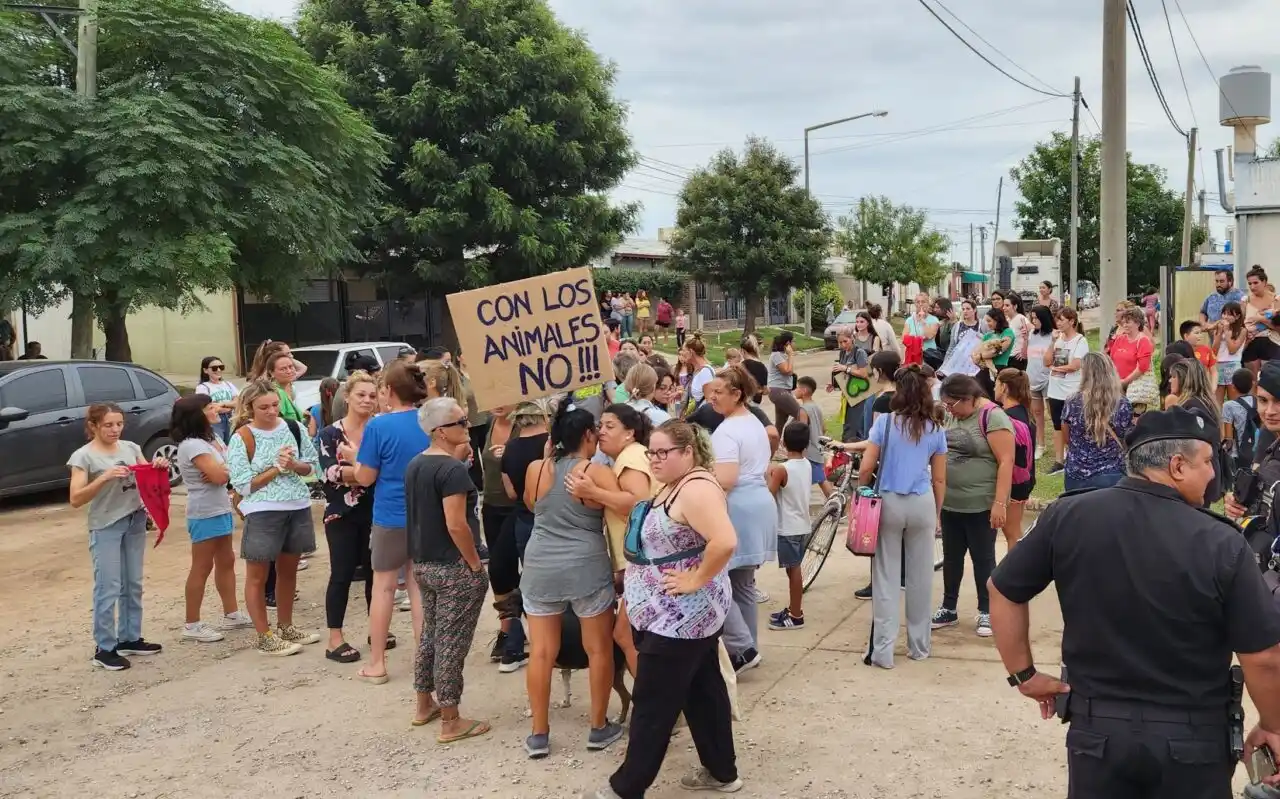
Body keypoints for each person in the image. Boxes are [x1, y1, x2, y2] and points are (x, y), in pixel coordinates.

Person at [989, 406, 1280, 799]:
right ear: (1177, 465)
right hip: (1191, 740)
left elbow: (1003, 589)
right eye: (1208, 462)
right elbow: (1262, 656)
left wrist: (1023, 675)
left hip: (1097, 736)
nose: (1213, 474)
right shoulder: (1221, 541)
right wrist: (1273, 726)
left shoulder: (1069, 515)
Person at [591, 421, 741, 799]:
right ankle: (722, 771)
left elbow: (724, 541)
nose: (655, 459)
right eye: (651, 452)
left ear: (687, 452)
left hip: (681, 619)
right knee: (704, 691)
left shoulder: (696, 490)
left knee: (653, 703)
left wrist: (694, 579)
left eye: (663, 452)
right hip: (675, 615)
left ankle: (626, 788)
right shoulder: (679, 485)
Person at [520, 398, 624, 758]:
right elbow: (626, 504)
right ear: (585, 435)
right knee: (598, 649)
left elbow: (532, 506)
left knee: (542, 652)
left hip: (539, 564)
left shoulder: (536, 468)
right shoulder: (593, 472)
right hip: (585, 565)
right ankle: (598, 726)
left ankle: (539, 733)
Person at [405, 398, 492, 744]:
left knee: (430, 635)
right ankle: (451, 720)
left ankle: (424, 703)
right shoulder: (452, 471)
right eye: (460, 423)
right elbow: (457, 524)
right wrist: (473, 563)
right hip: (452, 566)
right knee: (451, 643)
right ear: (441, 431)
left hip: (424, 563)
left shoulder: (417, 464)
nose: (467, 427)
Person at [856, 368, 947, 667]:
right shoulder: (935, 429)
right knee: (921, 578)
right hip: (922, 502)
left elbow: (867, 466)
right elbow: (939, 479)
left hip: (890, 501)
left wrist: (861, 493)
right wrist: (937, 514)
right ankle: (919, 647)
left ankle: (882, 651)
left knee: (885, 577)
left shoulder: (885, 423)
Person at [69, 404, 170, 670]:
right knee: (108, 586)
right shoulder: (83, 456)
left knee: (133, 582)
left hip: (134, 519)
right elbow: (76, 498)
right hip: (106, 525)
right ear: (93, 426)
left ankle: (130, 637)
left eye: (119, 424)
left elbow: (145, 476)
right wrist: (103, 478)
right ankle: (104, 647)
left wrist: (157, 465)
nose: (115, 430)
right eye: (108, 425)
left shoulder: (131, 448)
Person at [225, 379, 320, 656]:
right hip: (263, 510)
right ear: (250, 407)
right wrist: (276, 469)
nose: (271, 411)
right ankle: (264, 635)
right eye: (264, 407)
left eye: (275, 405)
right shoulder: (242, 437)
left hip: (296, 504)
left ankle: (286, 626)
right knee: (258, 574)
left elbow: (311, 466)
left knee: (288, 571)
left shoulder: (293, 427)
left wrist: (294, 465)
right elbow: (242, 484)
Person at [352, 361, 431, 682]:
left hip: (389, 516)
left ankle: (378, 663)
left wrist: (353, 461)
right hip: (426, 515)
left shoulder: (378, 427)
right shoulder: (429, 422)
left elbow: (366, 477)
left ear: (389, 391)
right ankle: (424, 663)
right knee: (418, 590)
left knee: (383, 588)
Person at [566, 403, 657, 677]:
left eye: (609, 426)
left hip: (646, 563)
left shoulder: (631, 458)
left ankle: (656, 703)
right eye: (599, 426)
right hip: (642, 562)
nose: (601, 432)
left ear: (629, 433)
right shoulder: (630, 457)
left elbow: (637, 504)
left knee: (626, 635)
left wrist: (592, 490)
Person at [707, 366, 777, 673]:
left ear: (737, 394)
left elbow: (726, 478)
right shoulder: (753, 422)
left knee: (716, 580)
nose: (712, 398)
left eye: (718, 393)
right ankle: (748, 648)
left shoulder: (726, 431)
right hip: (759, 503)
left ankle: (743, 648)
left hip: (739, 507)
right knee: (743, 584)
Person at [934, 374, 1014, 638]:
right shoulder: (951, 416)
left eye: (951, 405)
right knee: (952, 557)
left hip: (981, 503)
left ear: (967, 398)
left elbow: (1006, 462)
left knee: (983, 558)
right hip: (951, 503)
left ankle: (987, 610)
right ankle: (949, 607)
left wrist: (999, 503)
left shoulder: (993, 417)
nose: (948, 410)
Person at [172, 395, 251, 644]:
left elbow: (231, 468)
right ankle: (192, 623)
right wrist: (227, 471)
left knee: (226, 560)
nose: (216, 409)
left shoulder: (212, 439)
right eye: (209, 407)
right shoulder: (193, 445)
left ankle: (232, 613)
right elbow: (220, 475)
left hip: (220, 507)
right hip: (204, 510)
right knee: (202, 566)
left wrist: (227, 471)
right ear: (197, 415)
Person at [315, 370, 378, 664]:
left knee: (375, 574)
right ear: (348, 397)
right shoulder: (330, 433)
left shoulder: (380, 429)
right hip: (341, 513)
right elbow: (329, 474)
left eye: (372, 395)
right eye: (361, 395)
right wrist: (367, 473)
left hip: (379, 512)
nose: (367, 400)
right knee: (341, 574)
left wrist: (358, 472)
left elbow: (389, 471)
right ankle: (335, 638)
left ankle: (376, 629)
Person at [497, 400, 553, 672]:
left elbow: (510, 493)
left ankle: (515, 644)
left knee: (530, 584)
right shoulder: (553, 445)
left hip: (523, 521)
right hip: (553, 521)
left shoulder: (510, 448)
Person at [766, 422, 815, 631]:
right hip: (802, 524)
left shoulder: (782, 469)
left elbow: (770, 494)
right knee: (792, 569)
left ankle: (796, 615)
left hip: (787, 527)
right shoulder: (807, 464)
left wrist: (769, 476)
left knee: (793, 570)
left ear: (784, 443)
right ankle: (793, 608)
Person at [1060, 353, 1134, 492]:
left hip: (1077, 474)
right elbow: (1127, 438)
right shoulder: (1123, 404)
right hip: (1112, 475)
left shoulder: (1072, 402)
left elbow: (1067, 438)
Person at [1044, 308, 1089, 476]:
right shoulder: (1058, 340)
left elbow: (1076, 365)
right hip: (1055, 389)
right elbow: (1046, 361)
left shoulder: (1080, 341)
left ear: (1072, 321)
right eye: (1058, 320)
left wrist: (1056, 368)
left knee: (1073, 424)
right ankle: (1058, 460)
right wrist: (1051, 342)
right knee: (1056, 424)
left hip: (1071, 389)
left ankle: (1075, 455)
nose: (1059, 323)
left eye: (1062, 319)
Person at [994, 369, 1036, 551]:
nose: (994, 387)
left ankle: (1015, 574)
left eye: (996, 383)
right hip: (1024, 479)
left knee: (1011, 533)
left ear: (1004, 387)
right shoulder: (1025, 413)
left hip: (1015, 481)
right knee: (1013, 531)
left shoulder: (1009, 419)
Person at [1110, 307, 1156, 411]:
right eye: (1124, 322)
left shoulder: (1143, 340)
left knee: (1134, 419)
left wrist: (1125, 381)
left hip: (1136, 387)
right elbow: (1111, 359)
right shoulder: (1120, 339)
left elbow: (1142, 367)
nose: (1125, 325)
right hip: (1118, 385)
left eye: (1128, 322)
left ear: (1138, 324)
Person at [793, 376, 833, 498]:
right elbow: (824, 428)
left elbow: (803, 431)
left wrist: (800, 450)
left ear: (804, 391)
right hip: (819, 448)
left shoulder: (803, 409)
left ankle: (835, 503)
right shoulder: (817, 406)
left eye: (797, 388)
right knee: (819, 478)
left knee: (820, 479)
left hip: (809, 451)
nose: (795, 390)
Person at [830, 331, 872, 442]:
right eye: (840, 342)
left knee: (853, 426)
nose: (843, 345)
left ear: (852, 338)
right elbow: (844, 374)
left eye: (845, 341)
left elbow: (863, 373)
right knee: (848, 423)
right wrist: (834, 384)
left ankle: (850, 449)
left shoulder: (859, 352)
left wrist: (845, 368)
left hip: (858, 394)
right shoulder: (843, 353)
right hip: (848, 393)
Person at [1025, 305, 1055, 457]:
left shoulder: (1053, 335)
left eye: (1037, 318)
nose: (1034, 321)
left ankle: (1062, 446)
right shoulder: (1031, 334)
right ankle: (1040, 444)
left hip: (1049, 378)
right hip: (1032, 377)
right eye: (1032, 318)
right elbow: (1026, 355)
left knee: (1053, 413)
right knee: (1036, 413)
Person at [1243, 265, 1280, 372]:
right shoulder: (1245, 300)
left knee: (1271, 380)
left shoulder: (1276, 300)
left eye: (1255, 283)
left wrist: (1261, 319)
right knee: (1251, 381)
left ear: (1264, 282)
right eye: (1249, 283)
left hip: (1273, 342)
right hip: (1251, 343)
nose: (1252, 286)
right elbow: (1240, 325)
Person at [195, 356, 239, 444]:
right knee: (218, 445)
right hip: (215, 421)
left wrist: (222, 404)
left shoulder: (228, 384)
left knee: (233, 444)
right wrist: (229, 405)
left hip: (232, 419)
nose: (218, 370)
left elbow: (238, 401)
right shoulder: (203, 388)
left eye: (221, 367)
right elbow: (208, 407)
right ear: (205, 370)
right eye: (214, 368)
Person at [1223, 368, 1260, 470]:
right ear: (1252, 384)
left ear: (1233, 387)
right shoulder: (1258, 401)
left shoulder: (1228, 406)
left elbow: (1229, 437)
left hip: (1239, 453)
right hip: (1258, 448)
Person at [1211, 300, 1248, 403]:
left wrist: (1227, 333)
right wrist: (1219, 334)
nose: (1225, 317)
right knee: (1217, 401)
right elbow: (1213, 351)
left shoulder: (1242, 330)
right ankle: (1218, 419)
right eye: (1224, 313)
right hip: (1218, 365)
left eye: (1230, 314)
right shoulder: (1219, 329)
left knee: (1234, 400)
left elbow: (1232, 350)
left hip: (1233, 365)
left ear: (1237, 317)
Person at [974, 307, 1015, 398]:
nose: (987, 324)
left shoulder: (1007, 332)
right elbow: (976, 352)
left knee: (997, 398)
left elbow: (999, 350)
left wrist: (981, 355)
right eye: (986, 321)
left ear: (997, 320)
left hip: (999, 369)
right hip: (983, 369)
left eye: (989, 321)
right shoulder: (987, 335)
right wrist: (979, 356)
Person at [766, 331, 800, 431]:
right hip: (778, 391)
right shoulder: (776, 355)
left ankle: (775, 444)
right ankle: (789, 435)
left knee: (780, 422)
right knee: (801, 414)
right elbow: (788, 371)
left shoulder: (782, 355)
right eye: (793, 341)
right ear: (788, 343)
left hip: (784, 390)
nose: (795, 344)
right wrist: (791, 355)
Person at [623, 363, 671, 427]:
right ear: (653, 387)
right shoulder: (662, 417)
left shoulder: (617, 411)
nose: (668, 392)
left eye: (670, 388)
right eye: (662, 388)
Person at [902, 292, 939, 366]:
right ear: (915, 304)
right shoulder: (909, 320)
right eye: (918, 302)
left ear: (928, 304)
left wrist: (923, 321)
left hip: (928, 355)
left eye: (923, 302)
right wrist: (919, 339)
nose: (920, 304)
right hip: (913, 356)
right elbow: (904, 338)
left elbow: (929, 336)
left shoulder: (934, 320)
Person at [1002, 294, 1030, 372]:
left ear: (1015, 306)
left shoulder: (1021, 318)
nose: (1004, 308)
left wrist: (1023, 352)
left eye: (1007, 305)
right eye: (1003, 305)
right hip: (1007, 358)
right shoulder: (1007, 320)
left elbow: (1032, 332)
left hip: (1017, 359)